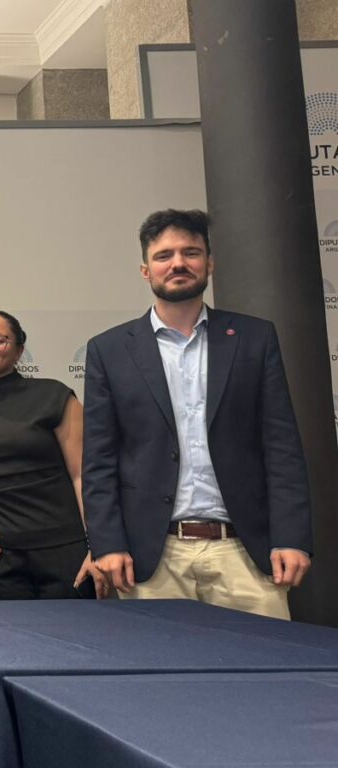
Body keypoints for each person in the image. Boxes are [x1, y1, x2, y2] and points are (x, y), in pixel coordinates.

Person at [83, 209, 311, 620]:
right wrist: (108, 544)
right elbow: (99, 459)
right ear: (145, 270)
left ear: (209, 263)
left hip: (245, 552)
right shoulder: (109, 349)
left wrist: (291, 537)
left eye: (191, 252)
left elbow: (281, 446)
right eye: (164, 255)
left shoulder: (254, 338)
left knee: (262, 662)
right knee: (160, 664)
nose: (178, 263)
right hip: (152, 557)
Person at [0, 310, 106, 600]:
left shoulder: (55, 396)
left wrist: (99, 545)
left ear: (19, 350)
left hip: (66, 549)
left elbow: (83, 475)